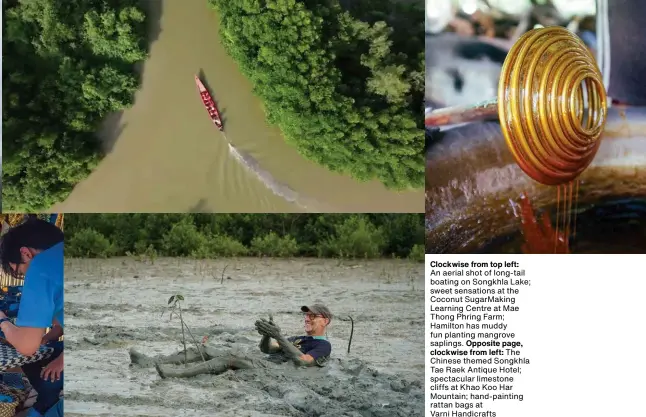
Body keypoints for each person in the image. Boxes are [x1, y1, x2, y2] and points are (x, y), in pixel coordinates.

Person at [129, 304, 333, 379]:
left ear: (325, 321)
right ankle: (149, 361)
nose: (307, 319)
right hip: (264, 362)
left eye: (312, 316)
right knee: (206, 348)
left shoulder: (323, 345)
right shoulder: (298, 338)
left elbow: (302, 361)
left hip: (274, 372)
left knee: (231, 357)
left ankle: (176, 374)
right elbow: (267, 350)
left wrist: (278, 335)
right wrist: (267, 334)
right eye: (306, 316)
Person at [0, 218, 64, 417]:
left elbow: (27, 347)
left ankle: (47, 403)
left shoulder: (41, 267)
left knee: (44, 376)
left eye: (19, 271)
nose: (24, 277)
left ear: (25, 253)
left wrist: (2, 320)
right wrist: (48, 336)